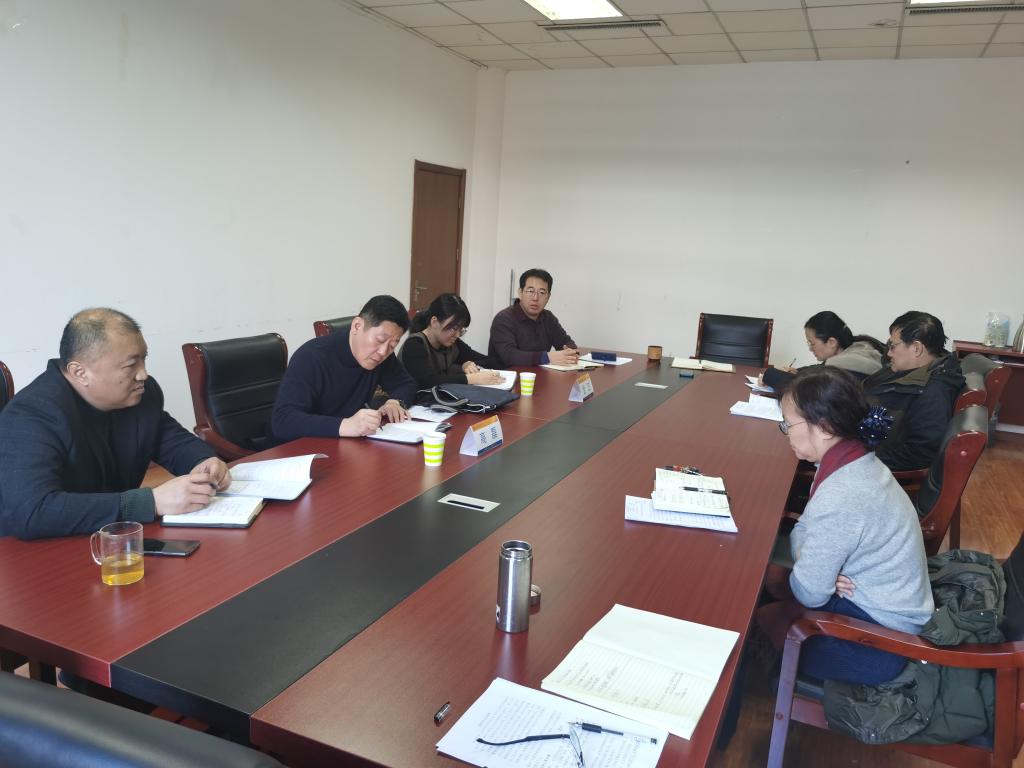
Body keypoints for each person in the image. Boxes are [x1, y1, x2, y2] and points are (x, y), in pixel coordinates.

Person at [758, 367, 933, 684]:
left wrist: (814, 571)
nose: (785, 432)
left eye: (788, 424)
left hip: (878, 644)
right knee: (771, 581)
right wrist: (813, 564)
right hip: (877, 609)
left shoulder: (843, 493)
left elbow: (809, 593)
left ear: (824, 428)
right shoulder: (854, 461)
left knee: (757, 622)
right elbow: (802, 529)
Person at [0, 308, 230, 541]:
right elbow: (31, 511)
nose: (143, 375)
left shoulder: (141, 394)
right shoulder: (31, 415)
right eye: (131, 365)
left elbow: (170, 439)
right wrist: (150, 502)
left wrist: (203, 462)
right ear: (80, 372)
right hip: (41, 548)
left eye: (144, 359)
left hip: (113, 538)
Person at [271, 294, 417, 442]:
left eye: (392, 345)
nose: (383, 352)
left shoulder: (380, 354)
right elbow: (283, 421)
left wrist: (395, 402)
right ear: (357, 326)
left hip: (346, 442)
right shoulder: (311, 357)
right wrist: (346, 425)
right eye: (380, 340)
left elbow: (406, 384)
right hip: (301, 447)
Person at [862, 311, 964, 472]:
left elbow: (920, 453)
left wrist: (859, 461)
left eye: (893, 346)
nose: (888, 353)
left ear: (916, 348)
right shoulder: (910, 372)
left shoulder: (933, 391)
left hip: (872, 465)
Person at [398, 293, 503, 389]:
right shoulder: (414, 345)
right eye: (454, 328)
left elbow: (493, 361)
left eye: (460, 330)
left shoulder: (452, 343)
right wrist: (471, 379)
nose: (457, 335)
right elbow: (427, 381)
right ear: (434, 322)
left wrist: (468, 364)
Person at [761, 311, 885, 389]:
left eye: (812, 343)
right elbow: (819, 368)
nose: (810, 349)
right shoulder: (855, 350)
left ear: (831, 342)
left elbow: (810, 390)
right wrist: (798, 372)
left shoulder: (851, 366)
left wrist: (770, 375)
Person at [488, 269, 578, 367]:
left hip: (540, 374)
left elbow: (567, 343)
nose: (535, 298)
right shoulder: (503, 319)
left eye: (542, 292)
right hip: (506, 375)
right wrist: (547, 358)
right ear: (520, 293)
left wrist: (570, 352)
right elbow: (510, 356)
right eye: (531, 291)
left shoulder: (548, 318)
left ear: (548, 297)